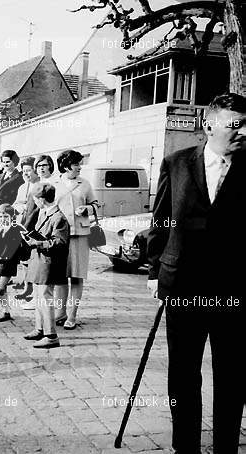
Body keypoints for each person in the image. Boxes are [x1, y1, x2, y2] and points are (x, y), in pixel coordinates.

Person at [147, 93, 246, 454]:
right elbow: (160, 221)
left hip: (235, 289)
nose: (243, 132)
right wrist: (155, 271)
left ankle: (226, 448)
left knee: (233, 375)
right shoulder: (177, 163)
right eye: (235, 124)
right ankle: (184, 447)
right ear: (209, 125)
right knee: (184, 374)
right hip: (183, 284)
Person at [52, 150, 97, 330]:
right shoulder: (53, 183)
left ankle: (72, 315)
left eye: (79, 163)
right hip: (59, 236)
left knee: (77, 276)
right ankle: (60, 313)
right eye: (76, 164)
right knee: (60, 277)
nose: (79, 167)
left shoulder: (85, 184)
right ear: (65, 165)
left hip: (80, 235)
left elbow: (95, 205)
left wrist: (87, 209)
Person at [22, 182, 70, 349]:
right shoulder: (45, 213)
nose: (34, 202)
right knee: (38, 296)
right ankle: (40, 328)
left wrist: (39, 243)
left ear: (41, 199)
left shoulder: (58, 217)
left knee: (45, 297)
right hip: (39, 261)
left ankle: (51, 335)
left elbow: (60, 242)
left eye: (35, 199)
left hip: (48, 262)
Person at [0, 150, 24, 283]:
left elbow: (13, 197)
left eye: (8, 162)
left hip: (6, 213)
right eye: (3, 161)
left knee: (6, 245)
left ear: (15, 162)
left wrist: (0, 208)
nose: (5, 164)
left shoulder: (18, 178)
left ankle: (7, 275)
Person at [0, 204, 25, 322]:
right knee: (2, 288)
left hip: (10, 262)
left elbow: (23, 244)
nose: (3, 219)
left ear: (11, 217)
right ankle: (6, 312)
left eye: (6, 216)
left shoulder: (16, 228)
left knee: (0, 287)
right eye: (0, 216)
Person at [13, 157, 40, 306]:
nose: (26, 174)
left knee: (32, 259)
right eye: (24, 171)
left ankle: (33, 289)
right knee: (24, 259)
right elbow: (16, 203)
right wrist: (18, 207)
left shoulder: (40, 186)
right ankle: (26, 287)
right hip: (21, 224)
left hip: (34, 226)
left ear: (35, 171)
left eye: (29, 170)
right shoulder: (23, 187)